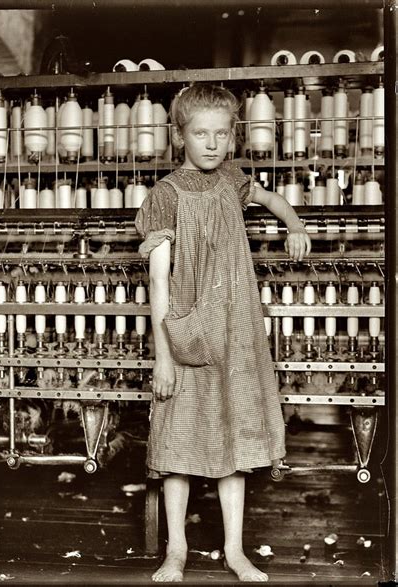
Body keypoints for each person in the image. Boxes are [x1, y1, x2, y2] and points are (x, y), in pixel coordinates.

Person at [135, 83, 311, 583]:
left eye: (221, 133)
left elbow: (272, 197)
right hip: (187, 333)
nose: (211, 144)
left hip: (236, 331)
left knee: (234, 443)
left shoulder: (233, 178)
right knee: (178, 448)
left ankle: (234, 550)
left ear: (233, 136)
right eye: (199, 134)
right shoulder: (164, 196)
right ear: (179, 137)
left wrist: (294, 224)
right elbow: (159, 281)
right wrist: (163, 357)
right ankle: (177, 551)